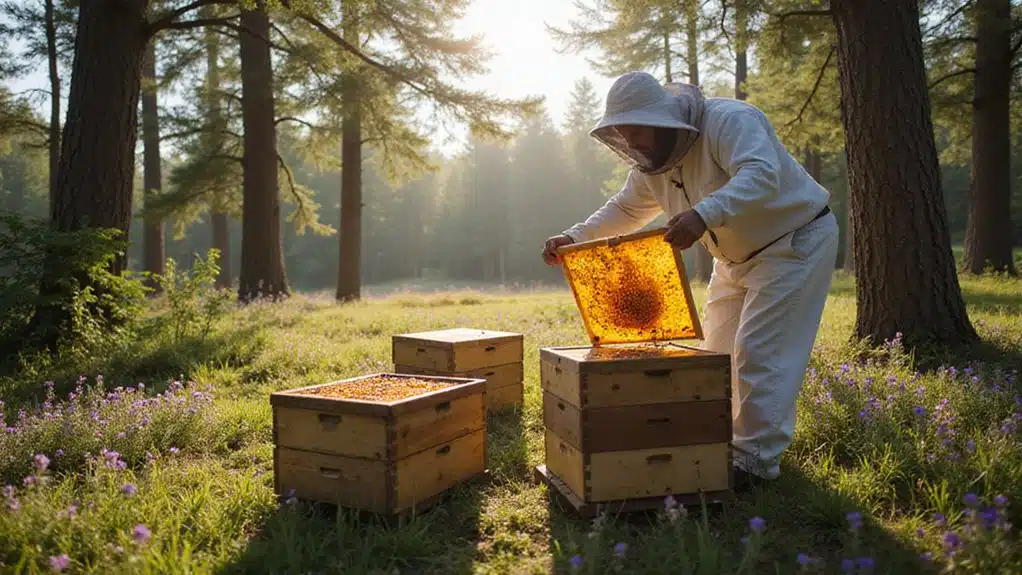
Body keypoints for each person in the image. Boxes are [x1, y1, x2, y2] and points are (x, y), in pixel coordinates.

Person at [543, 71, 839, 488]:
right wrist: (574, 237)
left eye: (636, 131)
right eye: (623, 134)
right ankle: (717, 444)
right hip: (732, 259)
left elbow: (761, 174)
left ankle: (755, 463)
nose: (631, 142)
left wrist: (703, 214)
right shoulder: (651, 166)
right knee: (714, 357)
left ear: (660, 120)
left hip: (793, 241)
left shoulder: (731, 121)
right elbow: (625, 210)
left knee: (760, 351)